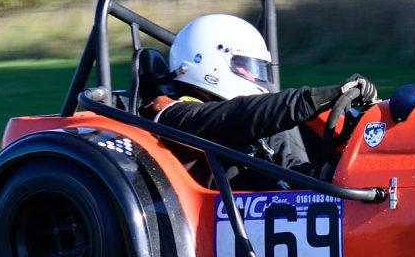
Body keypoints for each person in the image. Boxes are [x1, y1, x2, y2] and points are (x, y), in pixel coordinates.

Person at [148, 12, 376, 180]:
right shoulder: (173, 114)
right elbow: (241, 115)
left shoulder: (256, 119)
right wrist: (313, 99)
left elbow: (283, 162)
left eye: (256, 67)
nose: (251, 75)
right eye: (243, 65)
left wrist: (327, 175)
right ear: (204, 61)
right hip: (218, 219)